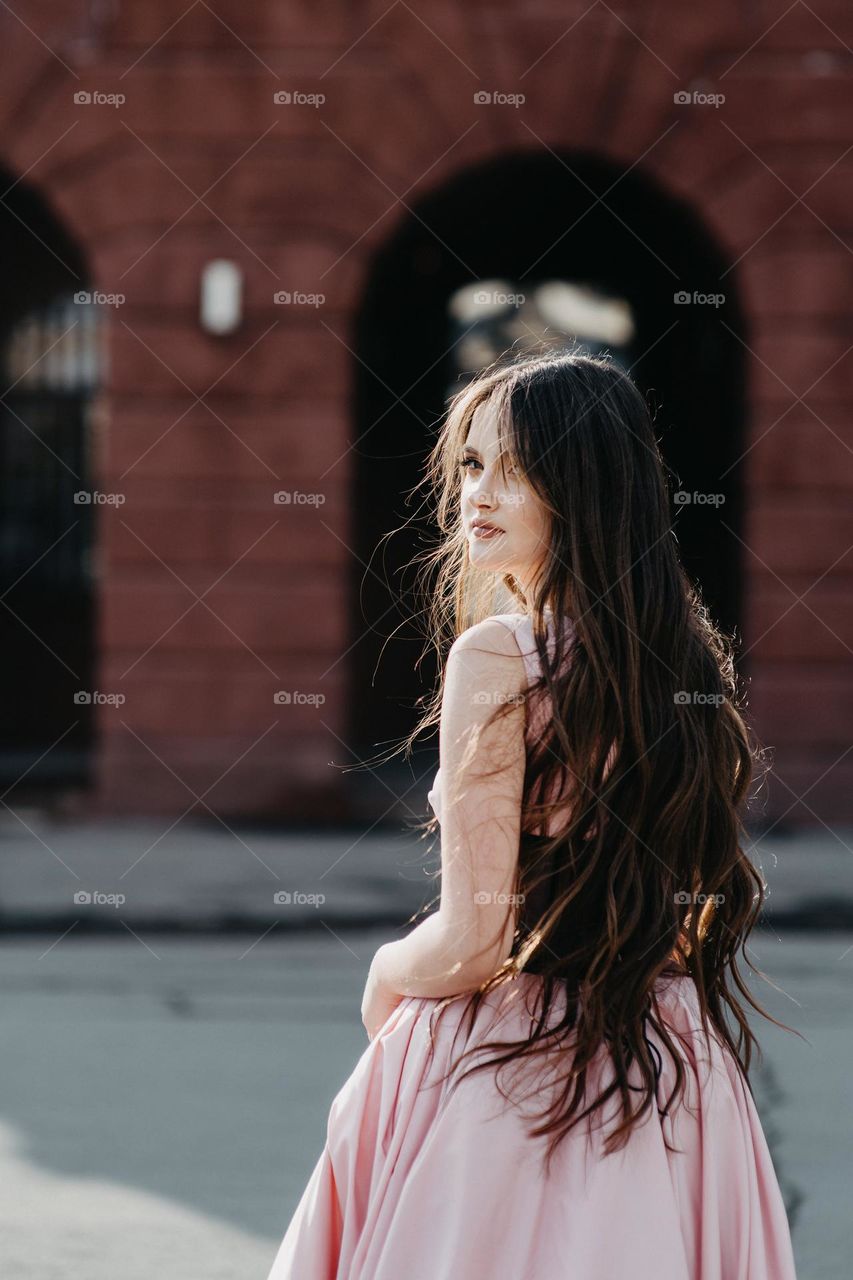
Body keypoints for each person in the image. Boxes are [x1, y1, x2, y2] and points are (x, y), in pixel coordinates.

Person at [266, 350, 799, 1279]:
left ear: (582, 486)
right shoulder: (686, 663)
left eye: (515, 469)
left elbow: (476, 938)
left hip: (513, 1067)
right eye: (471, 465)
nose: (478, 492)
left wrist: (386, 976)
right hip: (677, 1069)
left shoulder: (500, 655)